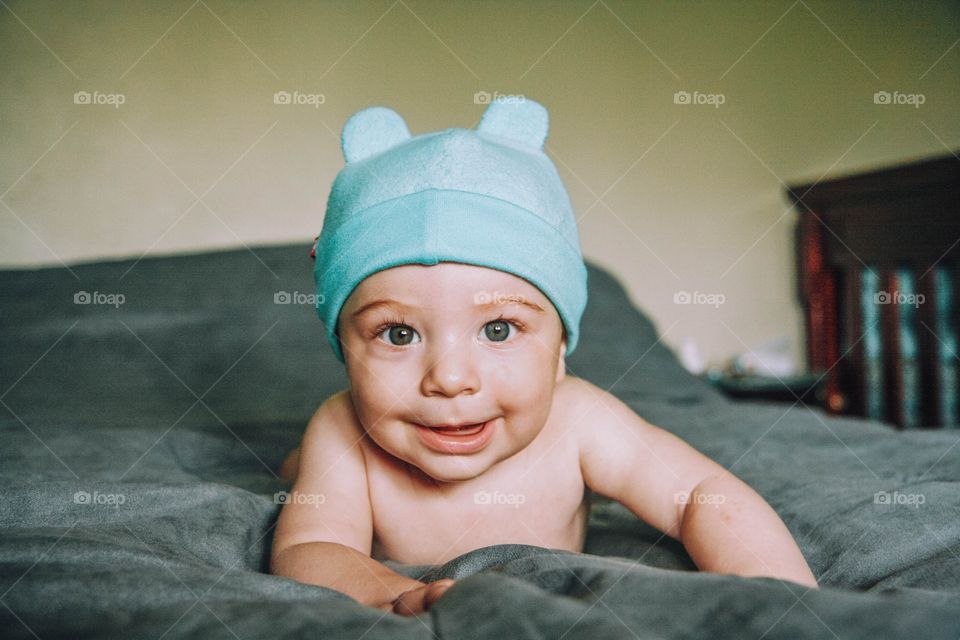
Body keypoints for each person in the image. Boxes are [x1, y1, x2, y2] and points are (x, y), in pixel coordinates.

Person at [270, 96, 818, 617]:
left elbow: (698, 494)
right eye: (398, 335)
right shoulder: (343, 431)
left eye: (499, 328)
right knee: (310, 482)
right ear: (344, 348)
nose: (451, 379)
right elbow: (311, 548)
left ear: (560, 349)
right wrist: (392, 593)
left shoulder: (579, 418)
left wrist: (779, 597)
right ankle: (298, 468)